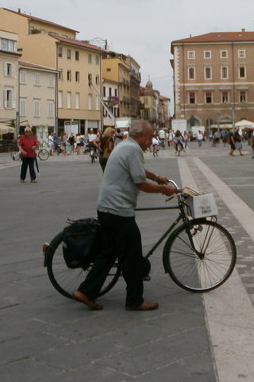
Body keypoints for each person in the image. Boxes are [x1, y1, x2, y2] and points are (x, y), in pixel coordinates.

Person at [74, 120, 177, 311]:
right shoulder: (133, 149)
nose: (151, 141)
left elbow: (137, 170)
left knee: (109, 252)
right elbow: (140, 183)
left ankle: (86, 291)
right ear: (140, 136)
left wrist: (157, 177)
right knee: (132, 255)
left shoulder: (126, 146)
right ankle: (134, 301)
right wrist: (163, 189)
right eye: (150, 137)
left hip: (106, 207)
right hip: (118, 210)